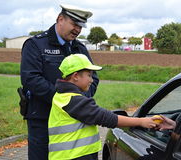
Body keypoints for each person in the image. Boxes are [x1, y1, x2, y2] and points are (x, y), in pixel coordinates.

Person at [20, 4, 97, 160]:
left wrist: (80, 101)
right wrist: (63, 101)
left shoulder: (80, 48)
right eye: (74, 24)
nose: (77, 30)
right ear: (60, 19)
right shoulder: (35, 44)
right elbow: (31, 79)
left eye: (81, 26)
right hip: (43, 119)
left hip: (73, 121)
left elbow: (93, 77)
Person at [48, 54, 161, 160]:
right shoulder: (72, 100)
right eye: (89, 75)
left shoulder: (62, 96)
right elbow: (105, 117)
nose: (92, 80)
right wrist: (140, 122)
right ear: (76, 76)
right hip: (73, 156)